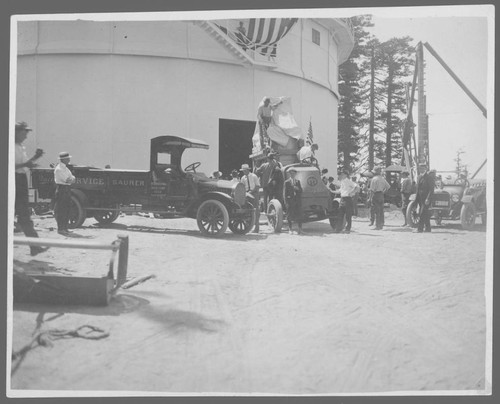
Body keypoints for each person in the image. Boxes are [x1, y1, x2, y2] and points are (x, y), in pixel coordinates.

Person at [14, 121, 48, 256]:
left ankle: (35, 246)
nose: (26, 136)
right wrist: (28, 163)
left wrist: (35, 158)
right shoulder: (9, 145)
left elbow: (24, 165)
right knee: (21, 214)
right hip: (12, 180)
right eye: (24, 133)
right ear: (16, 132)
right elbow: (8, 165)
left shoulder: (20, 147)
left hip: (21, 180)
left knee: (24, 215)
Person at [54, 151, 76, 235]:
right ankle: (60, 229)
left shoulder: (65, 168)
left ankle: (65, 228)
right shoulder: (59, 169)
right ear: (63, 159)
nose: (69, 159)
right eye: (67, 158)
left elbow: (72, 177)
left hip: (66, 189)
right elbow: (67, 179)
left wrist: (71, 179)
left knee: (67, 209)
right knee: (61, 210)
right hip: (61, 189)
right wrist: (71, 179)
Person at [414, 168, 436, 233]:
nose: (421, 169)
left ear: (425, 169)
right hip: (420, 198)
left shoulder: (429, 178)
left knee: (422, 213)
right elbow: (417, 188)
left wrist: (428, 198)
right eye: (420, 167)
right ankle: (428, 228)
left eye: (422, 167)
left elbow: (431, 190)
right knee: (425, 214)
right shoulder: (419, 177)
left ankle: (419, 229)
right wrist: (416, 198)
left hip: (426, 199)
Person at [240, 163, 260, 233]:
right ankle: (248, 227)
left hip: (254, 194)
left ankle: (257, 228)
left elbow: (257, 186)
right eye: (243, 171)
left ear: (248, 170)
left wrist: (251, 192)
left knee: (256, 210)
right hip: (246, 195)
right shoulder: (243, 178)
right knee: (246, 210)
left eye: (244, 170)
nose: (244, 172)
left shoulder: (254, 176)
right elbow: (242, 187)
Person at [283, 168, 303, 234]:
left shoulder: (298, 182)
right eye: (291, 174)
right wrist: (286, 202)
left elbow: (301, 191)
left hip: (297, 201)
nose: (292, 175)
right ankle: (290, 229)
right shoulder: (287, 182)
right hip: (290, 201)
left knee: (299, 215)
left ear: (295, 174)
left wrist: (298, 189)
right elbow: (285, 193)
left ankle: (300, 229)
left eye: (293, 173)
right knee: (289, 215)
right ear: (289, 174)